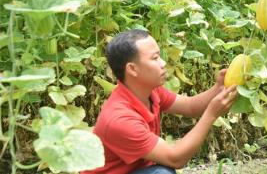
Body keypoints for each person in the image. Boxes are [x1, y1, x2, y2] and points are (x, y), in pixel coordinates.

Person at [81, 29, 237, 174]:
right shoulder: (119, 119)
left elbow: (191, 107)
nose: (163, 63)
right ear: (132, 69)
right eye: (155, 58)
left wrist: (218, 87)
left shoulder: (149, 91)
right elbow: (176, 158)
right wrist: (211, 114)